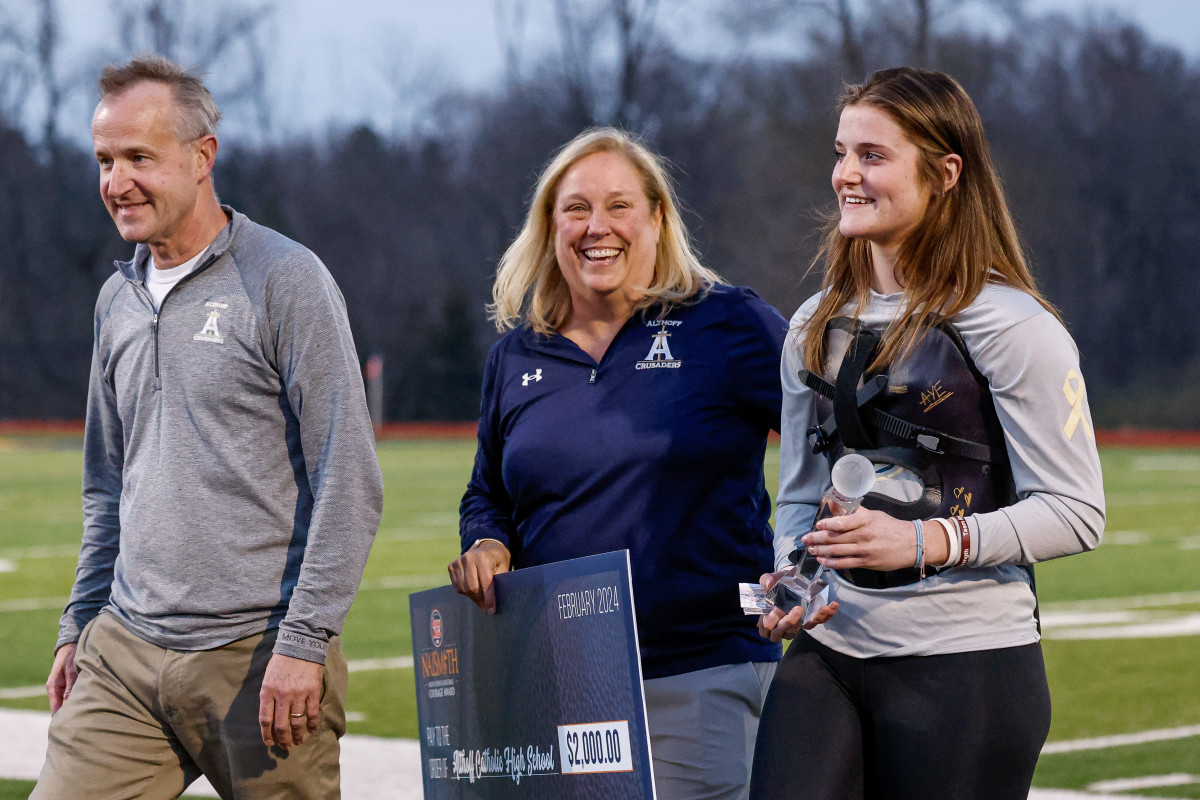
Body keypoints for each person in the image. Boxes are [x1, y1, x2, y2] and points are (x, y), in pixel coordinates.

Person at [33, 56, 383, 800]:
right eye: (103, 160)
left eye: (138, 158)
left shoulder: (285, 279)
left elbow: (349, 478)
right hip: (125, 651)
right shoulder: (115, 300)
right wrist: (80, 621)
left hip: (257, 656)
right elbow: (106, 486)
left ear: (202, 156)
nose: (116, 182)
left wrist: (306, 641)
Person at [750, 67, 1105, 800]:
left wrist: (923, 542)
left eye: (873, 156)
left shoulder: (1013, 325)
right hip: (830, 649)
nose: (847, 174)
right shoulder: (811, 325)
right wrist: (795, 573)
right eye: (842, 152)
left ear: (945, 172)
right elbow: (798, 497)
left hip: (966, 662)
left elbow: (1077, 511)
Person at [449, 127, 791, 799]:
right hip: (564, 683)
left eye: (618, 205)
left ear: (659, 218)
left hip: (702, 674)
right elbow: (487, 490)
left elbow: (826, 444)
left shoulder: (729, 325)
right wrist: (486, 542)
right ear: (550, 226)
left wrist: (808, 564)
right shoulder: (516, 357)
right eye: (575, 208)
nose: (595, 227)